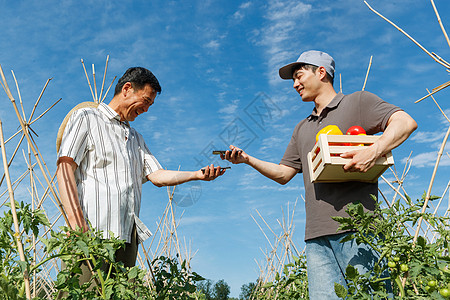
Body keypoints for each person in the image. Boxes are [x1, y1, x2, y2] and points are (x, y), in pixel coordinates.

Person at [221, 50, 417, 298]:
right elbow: (283, 174)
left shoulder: (357, 102)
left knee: (372, 295)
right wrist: (248, 159)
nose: (295, 84)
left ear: (321, 72)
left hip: (358, 230)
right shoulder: (302, 128)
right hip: (316, 238)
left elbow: (405, 122)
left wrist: (374, 150)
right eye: (293, 80)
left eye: (299, 76)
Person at [56, 67, 226, 278]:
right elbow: (65, 167)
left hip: (126, 238)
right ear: (127, 89)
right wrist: (77, 226)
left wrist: (197, 175)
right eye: (146, 101)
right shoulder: (87, 118)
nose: (146, 110)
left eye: (151, 105)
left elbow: (157, 175)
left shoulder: (135, 137)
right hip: (91, 232)